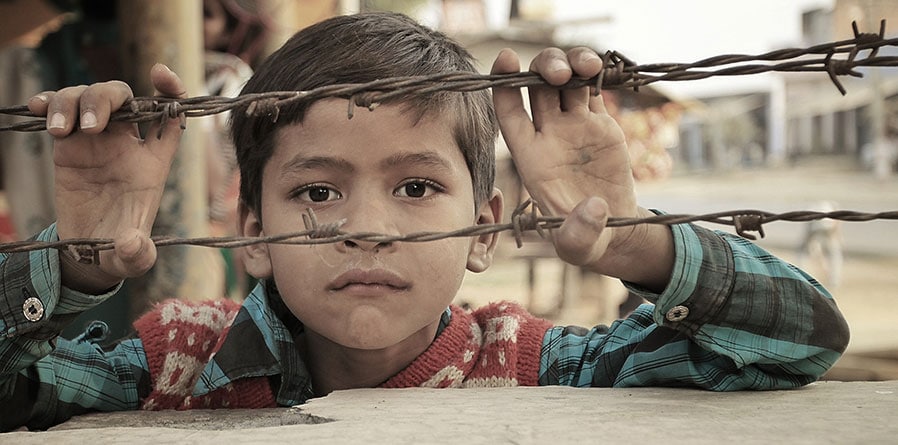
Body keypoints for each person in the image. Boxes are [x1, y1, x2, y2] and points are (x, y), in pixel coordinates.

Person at [0, 12, 849, 431]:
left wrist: (632, 238)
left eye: (414, 188)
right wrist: (77, 265)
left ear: (485, 229)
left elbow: (803, 338)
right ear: (248, 228)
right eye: (318, 193)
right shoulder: (175, 360)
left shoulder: (536, 363)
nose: (367, 228)